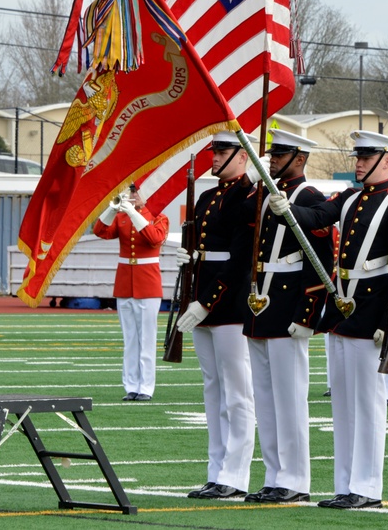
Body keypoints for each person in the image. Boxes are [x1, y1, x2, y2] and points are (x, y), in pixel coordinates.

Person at [269, 130, 388, 509]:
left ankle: (367, 487)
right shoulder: (349, 197)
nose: (358, 163)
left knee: (367, 404)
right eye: (357, 157)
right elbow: (317, 217)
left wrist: (387, 318)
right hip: (342, 308)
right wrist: (287, 208)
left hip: (371, 310)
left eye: (366, 157)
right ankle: (346, 484)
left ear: (387, 161)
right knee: (343, 404)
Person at [242, 128, 333, 505]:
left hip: (288, 301)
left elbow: (320, 259)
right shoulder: (265, 195)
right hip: (262, 301)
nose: (273, 159)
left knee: (290, 398)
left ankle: (294, 479)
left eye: (280, 154)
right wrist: (252, 177)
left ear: (300, 158)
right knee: (265, 397)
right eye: (272, 154)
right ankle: (274, 475)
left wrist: (307, 313)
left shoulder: (310, 197)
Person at [174, 131, 257, 499]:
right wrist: (188, 258)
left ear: (242, 155)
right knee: (213, 389)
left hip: (228, 302)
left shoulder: (245, 195)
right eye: (215, 150)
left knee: (237, 393)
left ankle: (235, 475)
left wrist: (207, 300)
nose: (216, 157)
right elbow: (200, 245)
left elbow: (240, 260)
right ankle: (216, 469)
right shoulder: (207, 196)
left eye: (223, 151)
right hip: (202, 297)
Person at [92, 183, 169, 403]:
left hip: (147, 282)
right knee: (130, 339)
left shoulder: (158, 216)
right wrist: (111, 209)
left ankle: (146, 386)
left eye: (136, 192)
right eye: (131, 192)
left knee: (146, 339)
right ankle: (131, 385)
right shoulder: (122, 216)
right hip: (125, 281)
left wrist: (133, 211)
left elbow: (154, 238)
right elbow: (100, 231)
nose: (133, 195)